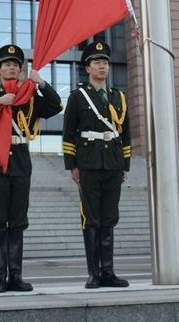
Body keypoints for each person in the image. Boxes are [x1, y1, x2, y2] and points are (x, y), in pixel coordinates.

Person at [0, 44, 62, 293]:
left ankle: (16, 276)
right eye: (7, 64)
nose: (12, 68)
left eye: (16, 65)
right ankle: (0, 277)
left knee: (17, 221)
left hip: (19, 159)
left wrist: (41, 84)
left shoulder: (28, 94)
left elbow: (56, 106)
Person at [62, 40, 131, 289]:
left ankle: (108, 272)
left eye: (105, 62)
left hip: (112, 163)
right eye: (97, 62)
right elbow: (69, 133)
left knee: (109, 217)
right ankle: (93, 273)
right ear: (87, 68)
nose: (102, 66)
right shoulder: (78, 96)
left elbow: (125, 133)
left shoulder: (118, 97)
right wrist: (73, 165)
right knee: (91, 218)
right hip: (89, 164)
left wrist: (125, 164)